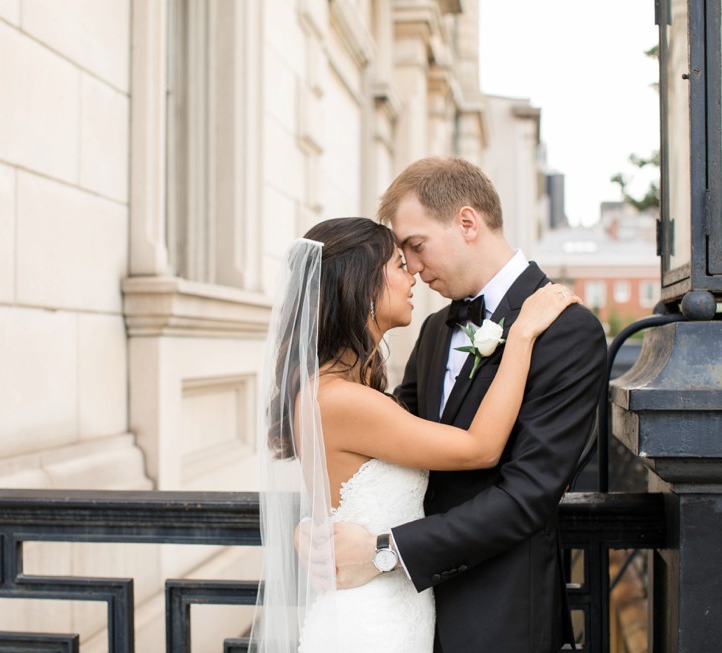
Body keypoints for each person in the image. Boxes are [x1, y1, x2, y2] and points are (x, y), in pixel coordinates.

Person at [250, 216, 582, 653]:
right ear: (363, 285)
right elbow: (480, 449)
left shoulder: (346, 391)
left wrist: (316, 525)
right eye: (398, 264)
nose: (414, 275)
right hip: (371, 623)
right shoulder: (343, 400)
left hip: (401, 610)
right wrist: (520, 336)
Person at [332, 157, 608, 651]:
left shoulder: (567, 331)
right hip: (404, 613)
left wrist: (386, 553)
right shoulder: (437, 328)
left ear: (466, 222)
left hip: (497, 614)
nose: (412, 267)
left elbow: (526, 497)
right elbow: (391, 437)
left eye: (416, 246)